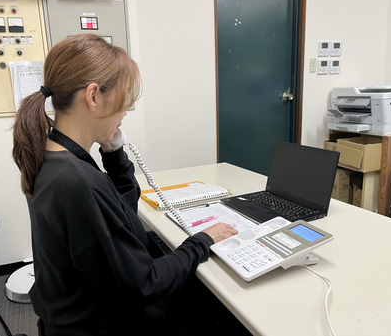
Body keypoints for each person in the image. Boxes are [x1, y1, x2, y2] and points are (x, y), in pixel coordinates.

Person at [12, 33, 239, 336]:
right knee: (212, 311)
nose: (124, 114)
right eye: (124, 102)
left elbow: (123, 217)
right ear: (93, 97)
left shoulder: (51, 156)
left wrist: (114, 154)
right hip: (99, 324)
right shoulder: (77, 181)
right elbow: (144, 284)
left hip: (72, 315)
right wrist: (203, 240)